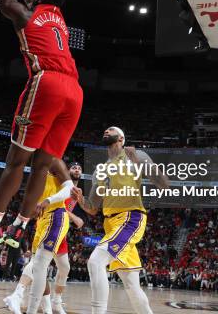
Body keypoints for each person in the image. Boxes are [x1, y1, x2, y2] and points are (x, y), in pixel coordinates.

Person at [0, 0, 83, 248]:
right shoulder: (59, 20)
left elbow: (5, 1)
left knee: (17, 160)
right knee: (42, 167)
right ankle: (20, 227)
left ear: (38, 0)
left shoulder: (28, 15)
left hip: (48, 84)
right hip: (75, 93)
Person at [72, 127, 169, 314]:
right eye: (105, 130)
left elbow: (164, 184)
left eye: (111, 130)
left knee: (95, 262)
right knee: (131, 284)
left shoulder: (136, 155)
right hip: (111, 224)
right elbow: (92, 208)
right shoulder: (100, 170)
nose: (106, 130)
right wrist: (80, 199)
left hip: (130, 218)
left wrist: (145, 165)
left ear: (122, 139)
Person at [4, 162, 84, 314]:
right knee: (40, 264)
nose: (77, 170)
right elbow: (58, 205)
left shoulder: (76, 191)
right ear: (66, 171)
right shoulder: (61, 180)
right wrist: (75, 218)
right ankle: (32, 300)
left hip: (57, 226)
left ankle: (53, 302)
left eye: (79, 168)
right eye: (74, 167)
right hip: (50, 221)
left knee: (61, 267)